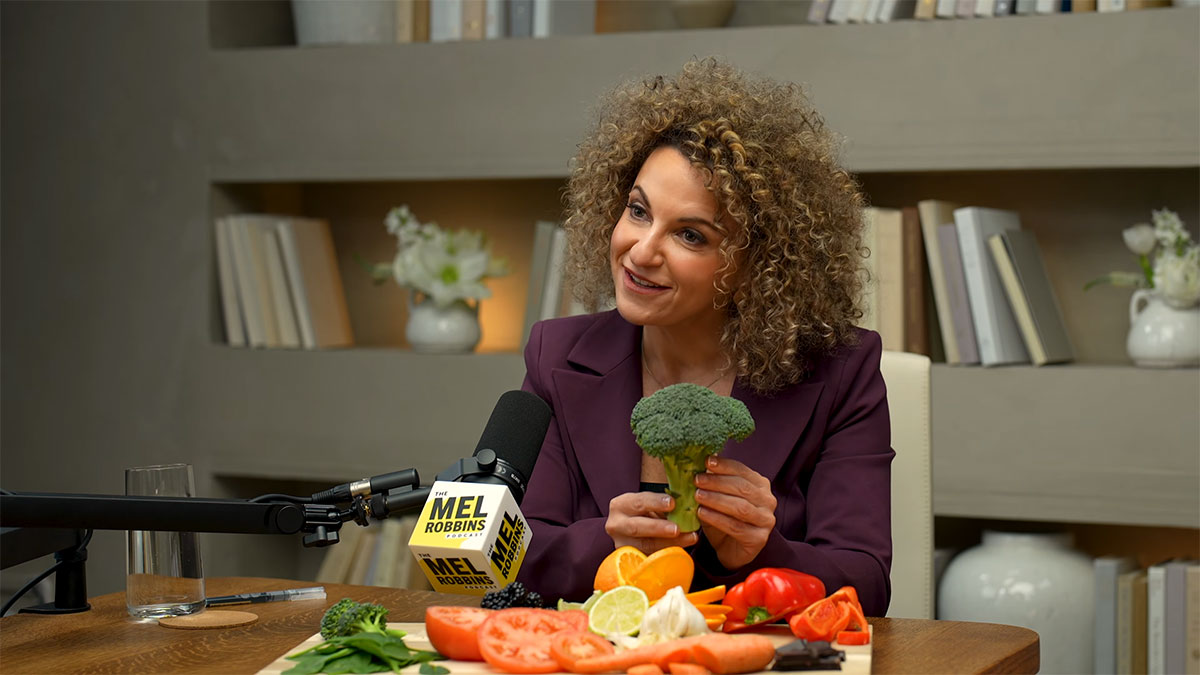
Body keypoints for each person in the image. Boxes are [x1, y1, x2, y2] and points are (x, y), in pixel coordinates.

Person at [514, 58, 894, 617]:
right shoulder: (556, 356)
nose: (642, 251)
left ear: (759, 265)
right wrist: (606, 542)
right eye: (638, 211)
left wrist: (765, 551)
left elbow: (867, 584)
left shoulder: (842, 371)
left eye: (690, 235)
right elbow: (510, 557)